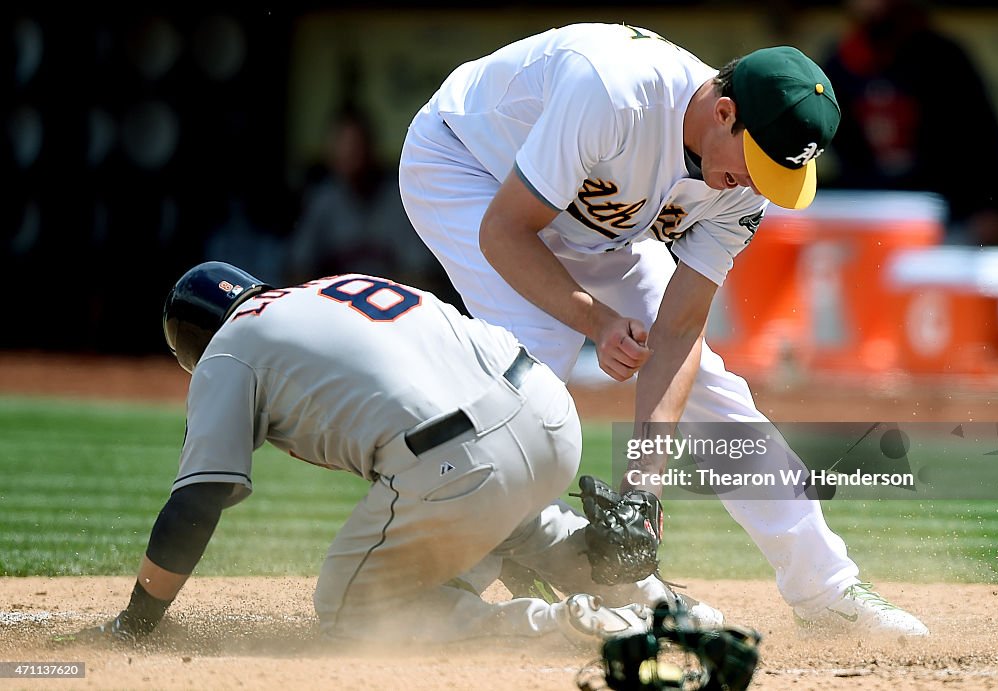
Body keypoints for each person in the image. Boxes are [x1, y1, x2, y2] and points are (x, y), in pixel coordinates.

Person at [399, 22, 928, 637]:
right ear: (723, 112)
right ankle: (435, 584)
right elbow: (504, 232)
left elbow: (677, 332)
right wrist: (595, 320)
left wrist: (641, 492)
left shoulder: (739, 188)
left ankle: (827, 591)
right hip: (467, 167)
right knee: (535, 366)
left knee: (709, 383)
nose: (758, 186)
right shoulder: (616, 95)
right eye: (757, 165)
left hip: (588, 222)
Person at [74, 261, 699, 646]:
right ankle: (670, 606)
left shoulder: (228, 349)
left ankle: (554, 625)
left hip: (465, 459)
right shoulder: (327, 289)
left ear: (193, 347)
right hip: (550, 412)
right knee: (508, 520)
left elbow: (197, 500)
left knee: (348, 609)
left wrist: (139, 621)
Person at [822, 0, 998, 245]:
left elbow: (983, 137)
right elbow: (841, 145)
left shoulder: (942, 56)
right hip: (874, 214)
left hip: (946, 212)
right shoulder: (841, 63)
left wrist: (989, 206)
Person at [286, 106, 460, 303]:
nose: (348, 154)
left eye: (355, 145)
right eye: (341, 145)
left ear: (371, 147)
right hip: (334, 311)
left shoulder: (401, 197)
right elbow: (297, 273)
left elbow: (422, 277)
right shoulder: (323, 200)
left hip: (391, 311)